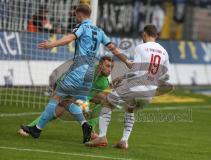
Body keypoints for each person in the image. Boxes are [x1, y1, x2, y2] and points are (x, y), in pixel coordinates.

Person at [21, 4, 132, 144]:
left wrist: (51, 44)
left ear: (80, 14)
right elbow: (114, 49)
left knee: (56, 97)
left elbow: (69, 39)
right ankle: (86, 126)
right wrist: (127, 61)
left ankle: (37, 129)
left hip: (78, 70)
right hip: (90, 72)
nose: (75, 17)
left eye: (75, 15)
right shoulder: (99, 31)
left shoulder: (82, 27)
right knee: (71, 102)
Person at [85, 24, 170, 149]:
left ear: (144, 34)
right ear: (156, 36)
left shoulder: (141, 48)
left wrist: (121, 77)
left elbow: (135, 71)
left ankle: (101, 137)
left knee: (107, 102)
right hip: (149, 93)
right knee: (130, 108)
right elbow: (166, 76)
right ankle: (124, 141)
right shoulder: (164, 52)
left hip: (136, 88)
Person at [19, 56, 113, 140]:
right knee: (58, 109)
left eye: (111, 67)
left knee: (105, 100)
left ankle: (91, 130)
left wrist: (85, 104)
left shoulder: (104, 82)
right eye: (107, 66)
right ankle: (30, 127)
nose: (110, 70)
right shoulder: (88, 71)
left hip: (80, 95)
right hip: (65, 88)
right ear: (100, 65)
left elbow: (89, 94)